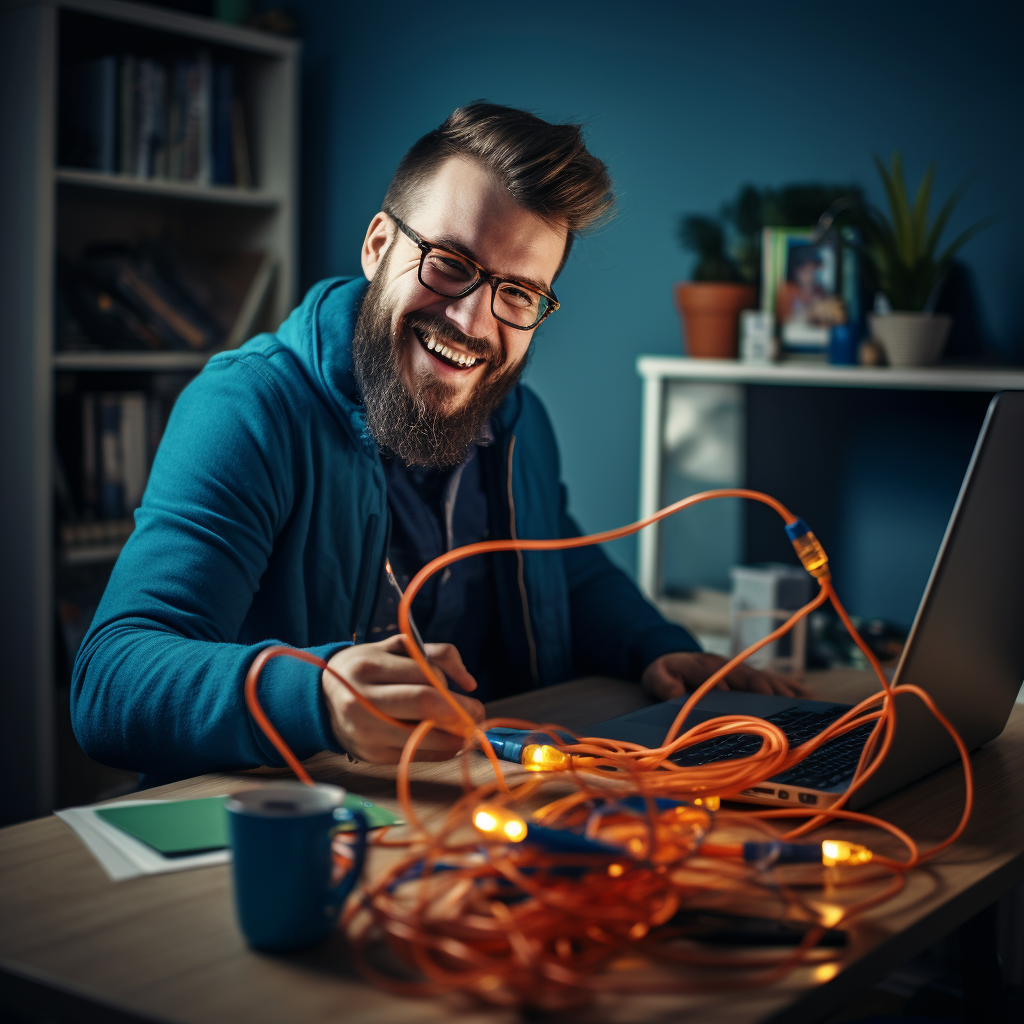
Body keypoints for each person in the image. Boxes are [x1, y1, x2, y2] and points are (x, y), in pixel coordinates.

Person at [72, 104, 803, 782]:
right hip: (302, 831)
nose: (472, 320)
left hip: (496, 815)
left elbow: (569, 574)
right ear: (379, 245)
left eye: (518, 293)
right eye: (451, 263)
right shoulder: (247, 408)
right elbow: (111, 681)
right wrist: (316, 697)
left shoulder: (520, 422)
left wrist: (659, 646)